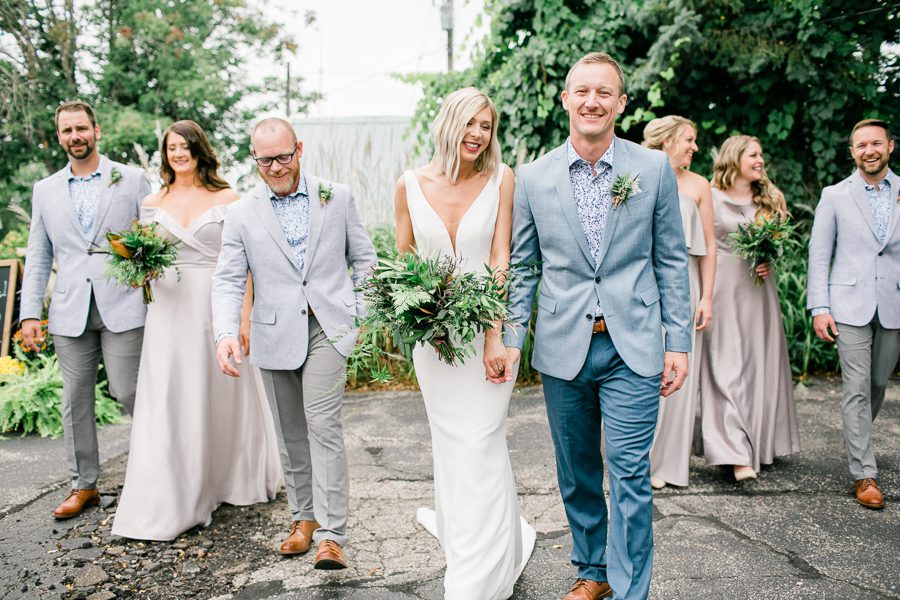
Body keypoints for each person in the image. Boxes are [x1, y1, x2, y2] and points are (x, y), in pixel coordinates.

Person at [503, 52, 692, 600]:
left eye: (604, 93)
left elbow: (671, 260)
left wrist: (677, 341)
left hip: (634, 343)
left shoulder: (651, 170)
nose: (592, 101)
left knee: (630, 473)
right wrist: (513, 337)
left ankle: (633, 589)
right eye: (581, 91)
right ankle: (593, 572)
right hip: (564, 347)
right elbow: (523, 265)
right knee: (578, 471)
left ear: (621, 103)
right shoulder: (534, 178)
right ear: (566, 100)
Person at [212, 117, 376, 570]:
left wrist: (361, 314)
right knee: (290, 433)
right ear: (254, 158)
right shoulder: (242, 213)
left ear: (299, 148)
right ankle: (303, 518)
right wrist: (226, 333)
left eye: (284, 156)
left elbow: (363, 259)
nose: (277, 167)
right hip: (273, 332)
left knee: (322, 423)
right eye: (266, 160)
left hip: (330, 327)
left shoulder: (336, 196)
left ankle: (331, 534)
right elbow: (227, 279)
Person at [394, 87, 536, 600]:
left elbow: (502, 258)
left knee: (481, 440)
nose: (478, 134)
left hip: (486, 337)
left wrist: (495, 336)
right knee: (453, 446)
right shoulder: (409, 184)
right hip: (434, 343)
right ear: (449, 124)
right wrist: (416, 316)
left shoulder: (502, 179)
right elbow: (403, 265)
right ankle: (467, 541)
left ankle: (478, 579)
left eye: (487, 126)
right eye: (470, 123)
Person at [111, 120, 282, 540]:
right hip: (167, 312)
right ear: (164, 154)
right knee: (172, 395)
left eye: (185, 146)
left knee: (221, 392)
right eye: (171, 148)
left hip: (214, 305)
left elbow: (244, 265)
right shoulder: (153, 201)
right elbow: (141, 265)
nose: (178, 153)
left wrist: (244, 318)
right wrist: (138, 271)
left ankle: (231, 477)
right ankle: (174, 488)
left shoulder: (228, 199)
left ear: (198, 150)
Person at [20, 100, 149, 520]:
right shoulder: (45, 190)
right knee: (75, 401)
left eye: (81, 128)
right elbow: (38, 255)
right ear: (59, 137)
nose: (75, 137)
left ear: (97, 130)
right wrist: (29, 314)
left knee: (129, 391)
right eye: (66, 131)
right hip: (70, 310)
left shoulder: (131, 180)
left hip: (123, 306)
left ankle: (154, 476)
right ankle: (84, 486)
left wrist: (143, 277)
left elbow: (151, 240)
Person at [807, 118, 899, 510]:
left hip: (894, 302)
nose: (869, 151)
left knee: (879, 383)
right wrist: (820, 306)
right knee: (856, 387)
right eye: (861, 145)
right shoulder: (835, 195)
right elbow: (819, 254)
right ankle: (864, 472)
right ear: (852, 152)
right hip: (848, 305)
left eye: (875, 143)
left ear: (890, 146)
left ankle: (858, 437)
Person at [699, 135, 800, 482]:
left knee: (758, 367)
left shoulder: (770, 199)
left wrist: (769, 259)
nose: (761, 160)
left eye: (761, 154)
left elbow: (779, 244)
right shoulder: (709, 197)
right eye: (753, 154)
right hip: (722, 288)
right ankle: (734, 452)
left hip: (759, 292)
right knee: (724, 368)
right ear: (734, 158)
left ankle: (757, 444)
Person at [642, 116, 716, 489]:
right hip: (639, 281)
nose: (694, 147)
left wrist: (706, 295)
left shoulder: (699, 184)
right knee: (640, 368)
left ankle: (669, 465)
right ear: (667, 140)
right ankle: (636, 458)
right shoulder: (636, 172)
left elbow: (709, 246)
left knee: (676, 370)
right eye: (688, 139)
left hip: (682, 281)